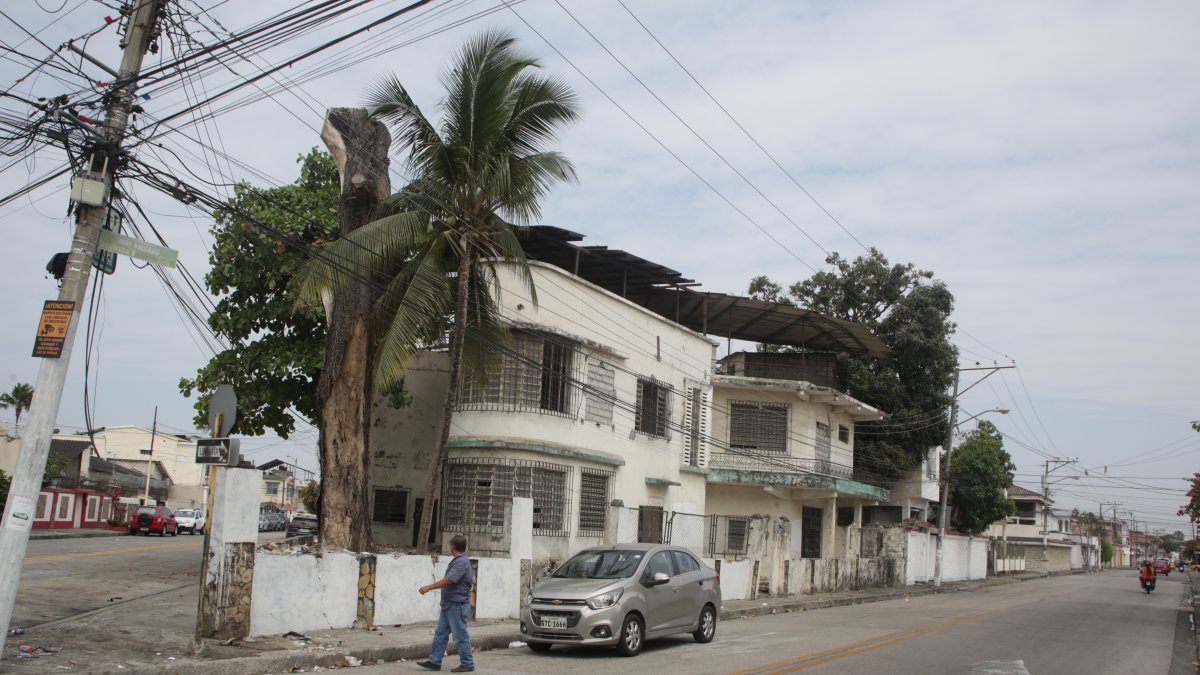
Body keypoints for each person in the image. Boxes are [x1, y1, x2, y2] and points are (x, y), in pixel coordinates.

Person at [417, 535, 474, 673]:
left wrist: (429, 587)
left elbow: (449, 580)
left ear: (452, 546)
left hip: (456, 606)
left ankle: (467, 663)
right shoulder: (460, 560)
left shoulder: (461, 562)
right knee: (440, 634)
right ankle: (434, 661)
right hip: (449, 605)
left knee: (460, 636)